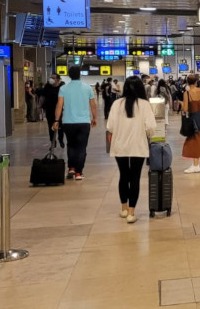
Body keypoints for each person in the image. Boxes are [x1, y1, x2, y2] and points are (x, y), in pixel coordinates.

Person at [106, 76, 156, 223]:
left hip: (119, 146)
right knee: (135, 177)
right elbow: (151, 128)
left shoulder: (116, 103)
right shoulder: (144, 104)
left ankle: (124, 208)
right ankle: (131, 213)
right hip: (138, 145)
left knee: (123, 176)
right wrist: (147, 134)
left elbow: (110, 127)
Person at [52, 66, 97, 180]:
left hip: (68, 122)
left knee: (71, 145)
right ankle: (78, 173)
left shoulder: (63, 88)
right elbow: (93, 105)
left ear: (69, 75)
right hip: (84, 122)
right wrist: (94, 118)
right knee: (81, 147)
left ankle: (71, 168)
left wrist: (56, 120)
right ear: (79, 74)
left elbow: (59, 105)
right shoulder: (87, 88)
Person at [43, 73, 65, 148]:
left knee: (60, 125)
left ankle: (60, 139)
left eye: (53, 78)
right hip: (49, 109)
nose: (51, 79)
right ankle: (53, 142)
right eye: (51, 77)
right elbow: (43, 96)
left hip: (59, 109)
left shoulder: (62, 86)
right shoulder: (47, 86)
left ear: (58, 79)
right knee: (50, 126)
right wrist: (39, 106)